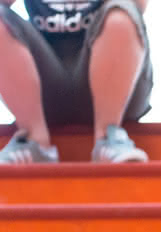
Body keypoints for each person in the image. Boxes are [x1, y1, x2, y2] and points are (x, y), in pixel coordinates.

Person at [0, 0, 152, 163]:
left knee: (121, 13)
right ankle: (33, 140)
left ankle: (109, 137)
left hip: (113, 85)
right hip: (44, 87)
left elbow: (138, 4)